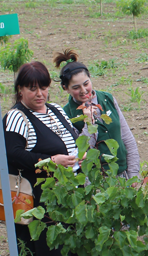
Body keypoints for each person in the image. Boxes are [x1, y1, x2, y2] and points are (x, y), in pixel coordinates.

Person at [4, 61, 92, 256]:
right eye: (32, 88)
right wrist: (50, 161)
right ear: (20, 90)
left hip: (68, 190)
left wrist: (80, 154)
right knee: (40, 248)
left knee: (74, 238)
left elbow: (72, 136)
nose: (39, 93)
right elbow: (13, 154)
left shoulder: (54, 110)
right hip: (37, 193)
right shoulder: (17, 117)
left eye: (43, 87)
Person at [57, 49, 140, 179]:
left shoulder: (107, 99)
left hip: (122, 174)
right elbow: (80, 152)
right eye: (76, 87)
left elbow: (126, 137)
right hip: (93, 180)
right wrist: (88, 123)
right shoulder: (66, 114)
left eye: (86, 84)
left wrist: (134, 174)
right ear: (65, 88)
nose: (84, 91)